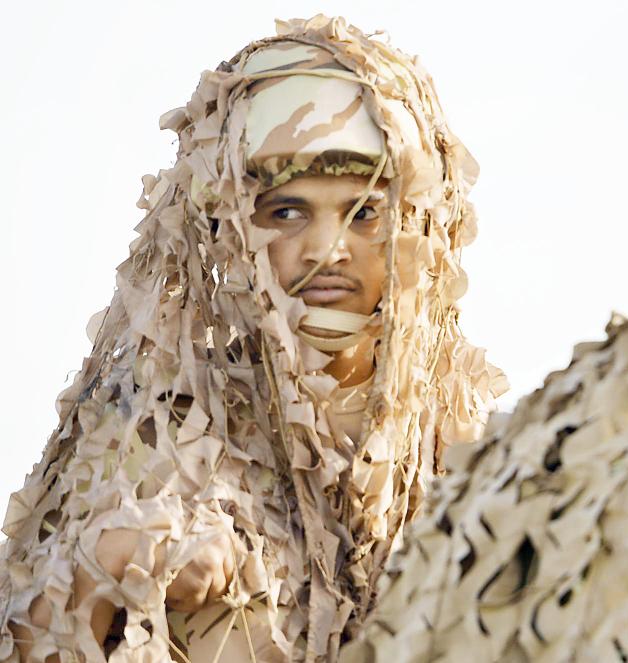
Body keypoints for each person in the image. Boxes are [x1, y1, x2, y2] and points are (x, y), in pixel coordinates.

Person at [0, 15, 506, 662]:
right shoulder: (153, 426)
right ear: (232, 227)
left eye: (365, 213)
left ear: (419, 221)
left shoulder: (467, 447)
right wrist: (111, 557)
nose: (327, 250)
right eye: (286, 211)